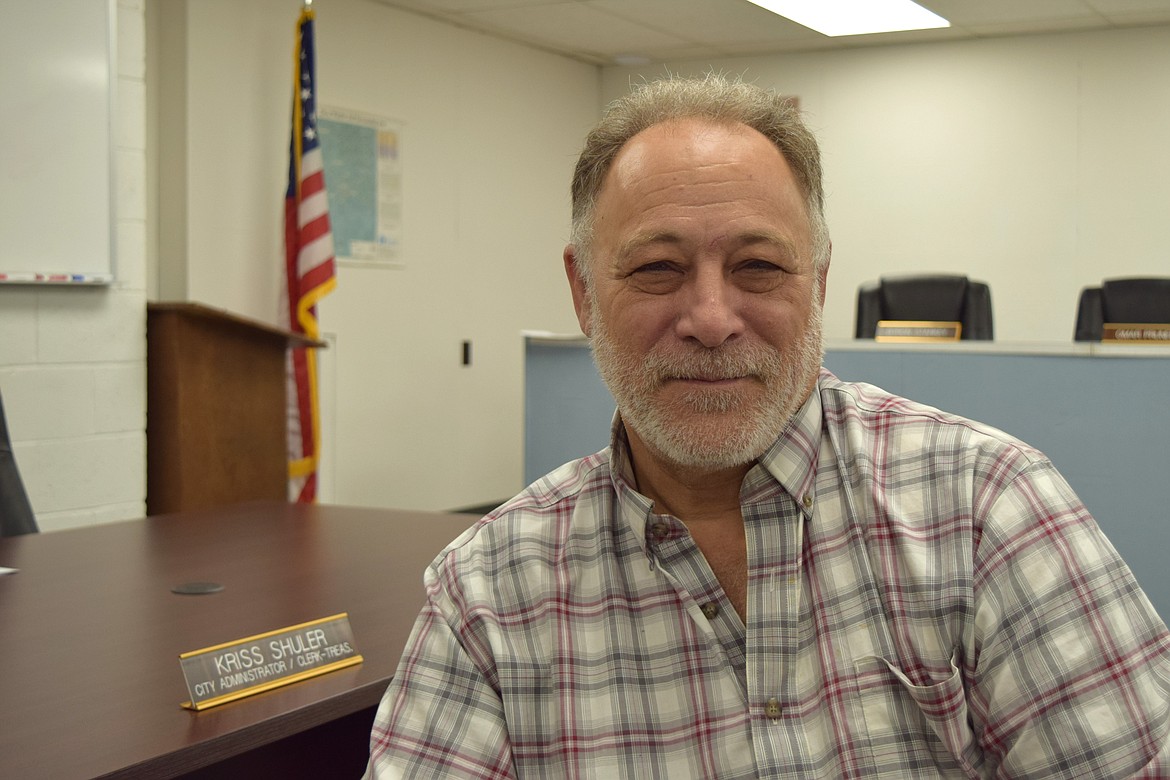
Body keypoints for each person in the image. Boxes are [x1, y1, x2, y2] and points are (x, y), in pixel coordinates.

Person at [365, 75, 1170, 778]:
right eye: (656, 268)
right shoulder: (489, 593)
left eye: (758, 265)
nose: (711, 319)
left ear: (817, 284)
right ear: (582, 293)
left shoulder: (986, 507)